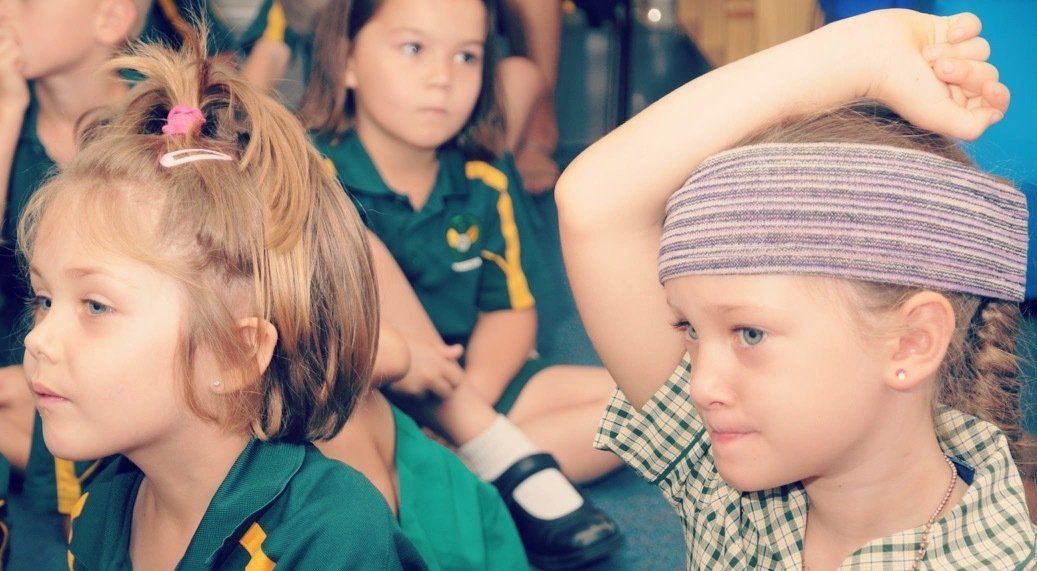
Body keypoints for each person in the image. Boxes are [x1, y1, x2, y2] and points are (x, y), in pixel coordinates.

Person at [557, 9, 1036, 569]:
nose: (701, 384)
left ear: (912, 341)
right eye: (689, 328)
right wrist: (857, 57)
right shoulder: (732, 486)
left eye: (750, 333)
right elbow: (595, 204)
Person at [18, 32, 424, 569]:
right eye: (46, 300)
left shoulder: (331, 538)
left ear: (234, 354)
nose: (37, 338)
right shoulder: (101, 507)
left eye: (96, 306)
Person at [299, 0, 624, 567]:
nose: (442, 77)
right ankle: (491, 465)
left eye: (467, 56)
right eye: (412, 48)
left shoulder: (484, 177)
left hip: (471, 381)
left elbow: (510, 313)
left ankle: (463, 462)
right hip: (365, 388)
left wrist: (469, 395)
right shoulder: (312, 178)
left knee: (651, 402)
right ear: (346, 61)